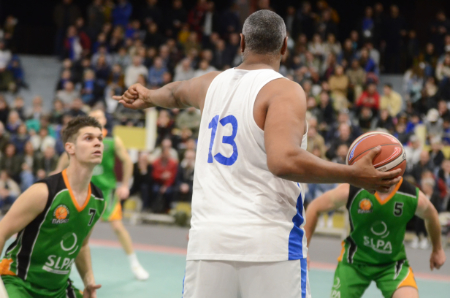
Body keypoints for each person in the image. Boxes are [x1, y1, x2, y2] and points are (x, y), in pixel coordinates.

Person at [113, 10, 401, 298]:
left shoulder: (210, 83)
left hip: (208, 244)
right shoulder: (284, 91)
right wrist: (352, 175)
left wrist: (148, 96)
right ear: (284, 46)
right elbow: (283, 160)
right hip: (269, 243)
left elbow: (176, 92)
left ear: (241, 43)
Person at [0, 116, 105, 298]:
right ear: (70, 148)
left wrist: (89, 281)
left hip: (58, 289)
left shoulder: (97, 200)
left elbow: (81, 245)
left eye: (99, 138)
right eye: (89, 138)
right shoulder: (43, 192)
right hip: (19, 282)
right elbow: (2, 232)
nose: (97, 143)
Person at [304, 179, 446, 298]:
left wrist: (437, 249)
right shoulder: (352, 190)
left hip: (392, 265)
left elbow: (431, 215)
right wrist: (304, 249)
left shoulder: (412, 196)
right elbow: (315, 207)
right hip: (354, 263)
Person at [54, 109, 149, 280]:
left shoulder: (113, 141)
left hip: (106, 192)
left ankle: (135, 264)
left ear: (105, 120)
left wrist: (125, 185)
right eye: (93, 117)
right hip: (84, 190)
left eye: (100, 116)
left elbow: (127, 161)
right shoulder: (80, 140)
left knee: (118, 227)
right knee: (72, 229)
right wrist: (55, 176)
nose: (97, 119)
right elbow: (65, 156)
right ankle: (61, 264)